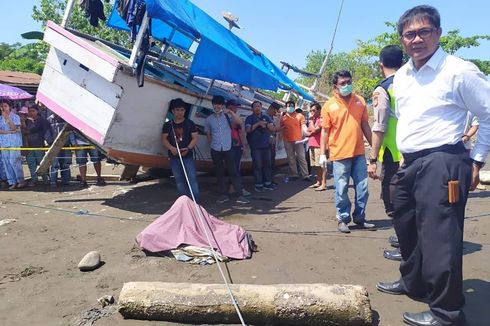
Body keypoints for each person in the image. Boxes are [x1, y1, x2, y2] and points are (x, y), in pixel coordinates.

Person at [375, 6, 490, 326]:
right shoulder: (403, 77)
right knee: (406, 227)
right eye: (410, 34)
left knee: (441, 238)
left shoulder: (458, 70)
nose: (417, 39)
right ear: (402, 39)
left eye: (424, 31)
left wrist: (477, 160)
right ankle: (414, 284)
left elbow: (488, 114)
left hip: (444, 161)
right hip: (409, 163)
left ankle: (447, 312)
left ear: (438, 33)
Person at [319, 70, 375, 233]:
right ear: (335, 86)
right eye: (343, 83)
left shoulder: (360, 101)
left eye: (348, 82)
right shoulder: (329, 105)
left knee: (362, 188)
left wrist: (376, 149)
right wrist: (323, 153)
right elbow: (324, 131)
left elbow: (365, 125)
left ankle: (360, 217)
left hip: (358, 153)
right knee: (341, 189)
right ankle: (343, 219)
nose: (347, 85)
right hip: (340, 155)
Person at [367, 45, 404, 262]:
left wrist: (373, 159)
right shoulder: (413, 83)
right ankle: (404, 239)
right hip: (415, 151)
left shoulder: (383, 89)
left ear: (381, 64)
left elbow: (379, 127)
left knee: (395, 200)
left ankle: (406, 244)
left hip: (394, 153)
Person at [205, 95, 250, 204]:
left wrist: (230, 112)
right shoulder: (209, 119)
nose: (217, 106)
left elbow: (239, 122)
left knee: (233, 171)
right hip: (215, 149)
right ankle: (223, 195)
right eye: (215, 104)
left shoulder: (228, 117)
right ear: (213, 105)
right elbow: (208, 134)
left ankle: (239, 195)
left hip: (228, 148)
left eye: (220, 104)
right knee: (219, 173)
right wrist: (212, 144)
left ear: (222, 105)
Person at [161, 98, 200, 201]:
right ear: (173, 111)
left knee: (192, 179)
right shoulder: (168, 125)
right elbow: (164, 139)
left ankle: (195, 202)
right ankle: (183, 203)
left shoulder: (190, 123)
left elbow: (195, 137)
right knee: (179, 180)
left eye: (182, 110)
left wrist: (188, 148)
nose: (180, 112)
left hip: (188, 156)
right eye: (177, 110)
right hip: (174, 156)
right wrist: (171, 148)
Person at [245, 100, 276, 192]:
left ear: (261, 107)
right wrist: (258, 124)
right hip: (255, 146)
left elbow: (272, 128)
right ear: (252, 108)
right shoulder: (249, 118)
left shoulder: (266, 117)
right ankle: (258, 184)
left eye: (259, 106)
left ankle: (268, 183)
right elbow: (247, 130)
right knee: (257, 166)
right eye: (256, 106)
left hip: (267, 145)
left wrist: (280, 126)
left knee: (268, 165)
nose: (258, 108)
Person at [225, 99, 250, 196]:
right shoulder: (229, 117)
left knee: (235, 168)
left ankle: (232, 187)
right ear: (230, 106)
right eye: (235, 106)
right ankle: (238, 189)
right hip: (231, 146)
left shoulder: (233, 116)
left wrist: (243, 145)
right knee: (235, 169)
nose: (236, 108)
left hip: (236, 145)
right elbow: (240, 130)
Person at [280, 100, 309, 180]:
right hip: (287, 140)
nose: (290, 107)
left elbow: (303, 126)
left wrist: (307, 132)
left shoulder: (299, 116)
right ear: (286, 107)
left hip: (298, 140)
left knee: (302, 158)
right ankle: (294, 174)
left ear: (294, 107)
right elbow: (280, 127)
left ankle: (305, 175)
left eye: (291, 106)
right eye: (288, 106)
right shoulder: (283, 117)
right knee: (291, 158)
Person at [0, 100, 26, 190]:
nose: (3, 108)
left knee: (14, 162)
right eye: (2, 106)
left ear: (9, 107)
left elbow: (15, 127)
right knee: (6, 162)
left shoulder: (15, 117)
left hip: (14, 142)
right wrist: (9, 132)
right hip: (3, 143)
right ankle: (12, 181)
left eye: (5, 106)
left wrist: (7, 118)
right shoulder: (0, 118)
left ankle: (20, 181)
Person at [25, 104, 50, 186]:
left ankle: (46, 179)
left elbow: (47, 132)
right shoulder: (27, 121)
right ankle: (34, 179)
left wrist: (47, 143)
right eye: (30, 111)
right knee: (31, 164)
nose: (31, 113)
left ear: (37, 111)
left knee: (42, 164)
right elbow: (24, 132)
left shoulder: (42, 121)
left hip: (39, 146)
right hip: (29, 147)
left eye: (33, 111)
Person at [305, 102, 326, 191]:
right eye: (311, 111)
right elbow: (308, 132)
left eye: (313, 110)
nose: (312, 112)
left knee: (322, 165)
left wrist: (311, 122)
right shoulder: (313, 120)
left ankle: (324, 183)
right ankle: (319, 181)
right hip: (312, 144)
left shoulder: (320, 119)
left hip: (319, 145)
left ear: (319, 110)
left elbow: (315, 130)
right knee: (315, 165)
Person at [48, 114, 73, 186]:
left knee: (66, 164)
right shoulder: (49, 120)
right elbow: (47, 133)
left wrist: (72, 143)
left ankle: (66, 181)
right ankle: (53, 182)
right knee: (54, 165)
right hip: (54, 146)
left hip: (66, 145)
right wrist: (50, 142)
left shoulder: (67, 118)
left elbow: (70, 132)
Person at [267, 102, 282, 179]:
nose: (276, 113)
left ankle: (270, 179)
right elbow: (276, 129)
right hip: (266, 143)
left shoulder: (272, 118)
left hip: (272, 142)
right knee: (268, 162)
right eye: (276, 111)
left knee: (272, 160)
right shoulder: (266, 117)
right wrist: (279, 118)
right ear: (272, 109)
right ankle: (267, 179)